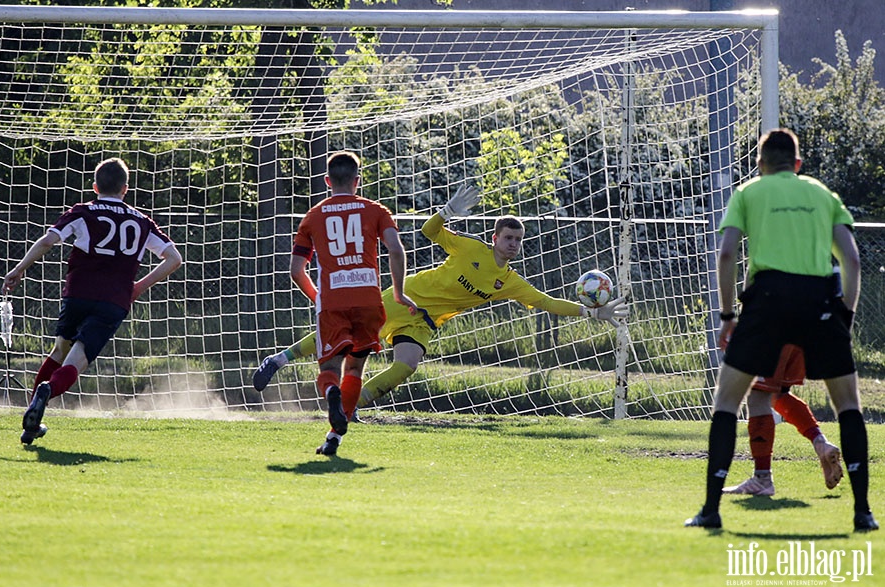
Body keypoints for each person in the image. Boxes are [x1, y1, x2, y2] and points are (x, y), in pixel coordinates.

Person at [254, 183, 628, 416]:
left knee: (408, 364)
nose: (513, 244)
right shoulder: (468, 247)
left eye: (518, 240)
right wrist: (448, 211)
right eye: (507, 238)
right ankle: (279, 358)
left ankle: (352, 406)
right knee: (342, 338)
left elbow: (545, 302)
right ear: (495, 237)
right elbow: (429, 230)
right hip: (406, 298)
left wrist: (588, 311)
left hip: (425, 323)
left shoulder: (509, 281)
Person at [685, 128, 877, 531]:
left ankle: (711, 510)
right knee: (848, 406)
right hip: (821, 299)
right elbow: (853, 261)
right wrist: (846, 316)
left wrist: (726, 316)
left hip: (768, 299)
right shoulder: (823, 195)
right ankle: (863, 512)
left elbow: (726, 253)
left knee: (727, 402)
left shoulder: (749, 193)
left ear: (760, 164)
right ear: (798, 164)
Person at [2, 157, 183, 445]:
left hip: (78, 293)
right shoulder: (141, 221)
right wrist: (138, 287)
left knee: (60, 348)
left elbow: (48, 240)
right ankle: (48, 390)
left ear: (95, 186)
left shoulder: (83, 211)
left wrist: (18, 269)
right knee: (79, 357)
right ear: (126, 188)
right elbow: (174, 258)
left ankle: (31, 423)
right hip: (113, 300)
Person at [289, 151, 417, 456]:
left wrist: (318, 298)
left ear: (327, 180)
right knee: (355, 369)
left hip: (333, 300)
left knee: (330, 366)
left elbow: (296, 270)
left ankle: (331, 393)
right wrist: (398, 293)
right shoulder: (376, 211)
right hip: (369, 300)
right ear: (357, 181)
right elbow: (396, 251)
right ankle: (334, 438)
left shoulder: (313, 216)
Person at [721, 344, 843, 496]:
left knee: (758, 396)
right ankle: (820, 443)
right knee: (777, 394)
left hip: (774, 329)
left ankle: (762, 478)